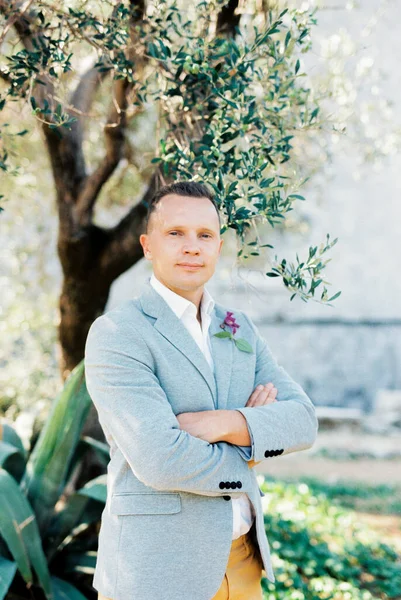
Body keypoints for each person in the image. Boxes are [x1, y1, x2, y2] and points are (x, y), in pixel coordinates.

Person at [84, 180, 318, 600]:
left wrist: (224, 423)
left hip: (244, 565)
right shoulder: (119, 333)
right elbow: (160, 459)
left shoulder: (237, 328)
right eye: (175, 234)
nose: (192, 246)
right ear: (147, 245)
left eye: (205, 235)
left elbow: (302, 421)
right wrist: (252, 443)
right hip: (158, 572)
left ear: (219, 246)